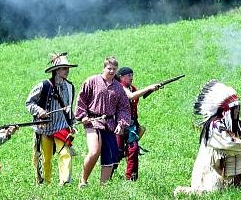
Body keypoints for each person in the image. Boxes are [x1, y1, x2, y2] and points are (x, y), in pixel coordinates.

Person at [174, 80, 241, 196]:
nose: (237, 111)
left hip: (224, 166)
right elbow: (229, 143)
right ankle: (183, 191)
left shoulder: (236, 125)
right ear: (226, 110)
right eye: (234, 108)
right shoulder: (214, 125)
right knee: (211, 194)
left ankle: (237, 185)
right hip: (211, 169)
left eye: (238, 107)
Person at [75, 56, 131, 186]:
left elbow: (123, 108)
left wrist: (121, 123)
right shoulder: (92, 81)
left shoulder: (118, 87)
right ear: (104, 68)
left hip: (110, 124)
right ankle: (83, 181)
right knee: (94, 150)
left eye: (114, 69)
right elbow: (81, 99)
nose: (111, 71)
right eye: (109, 68)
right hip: (92, 121)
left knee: (110, 156)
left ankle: (103, 187)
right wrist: (82, 116)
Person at [25, 52, 77, 185]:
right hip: (45, 128)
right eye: (64, 68)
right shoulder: (43, 85)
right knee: (46, 158)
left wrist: (73, 123)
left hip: (61, 126)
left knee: (65, 153)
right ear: (56, 70)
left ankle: (65, 181)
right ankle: (45, 182)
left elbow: (69, 108)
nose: (67, 71)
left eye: (68, 68)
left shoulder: (70, 87)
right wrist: (40, 111)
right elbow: (29, 103)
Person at [115, 67, 161, 181]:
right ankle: (109, 174)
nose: (131, 77)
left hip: (131, 125)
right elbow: (131, 96)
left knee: (133, 149)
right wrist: (149, 87)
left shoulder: (132, 88)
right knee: (118, 152)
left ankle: (131, 178)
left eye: (132, 75)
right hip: (118, 124)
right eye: (128, 75)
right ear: (121, 77)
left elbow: (135, 95)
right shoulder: (120, 87)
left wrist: (151, 90)